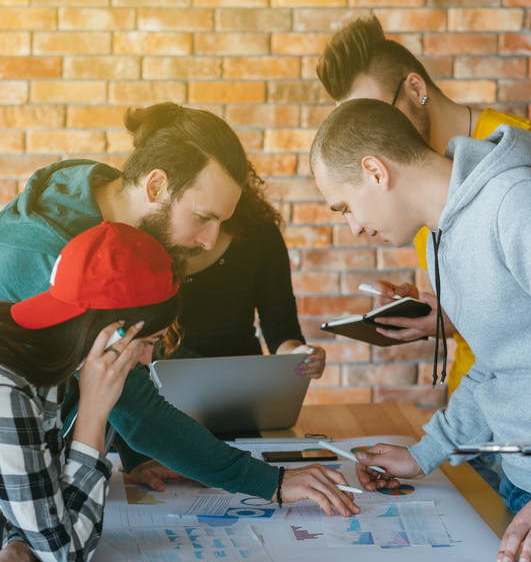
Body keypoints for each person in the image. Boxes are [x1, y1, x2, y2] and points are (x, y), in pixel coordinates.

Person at [0, 102, 359, 535]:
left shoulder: (96, 193)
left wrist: (134, 456)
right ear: (155, 186)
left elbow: (111, 392)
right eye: (204, 218)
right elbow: (134, 405)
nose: (210, 242)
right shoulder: (52, 259)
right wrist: (274, 482)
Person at [309, 98, 531, 562]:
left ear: (375, 171)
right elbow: (496, 365)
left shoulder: (523, 205)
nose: (354, 227)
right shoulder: (441, 238)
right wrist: (425, 453)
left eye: (344, 207)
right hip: (526, 484)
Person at [316, 14, 531, 398]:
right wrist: (428, 311)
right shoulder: (409, 182)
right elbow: (475, 301)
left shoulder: (530, 158)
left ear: (415, 88)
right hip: (471, 396)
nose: (366, 138)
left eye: (375, 113)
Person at [0, 222, 180, 562]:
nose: (146, 358)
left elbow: (39, 500)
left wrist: (17, 535)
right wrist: (94, 412)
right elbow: (67, 552)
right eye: (149, 343)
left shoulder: (42, 359)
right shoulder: (9, 392)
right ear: (110, 334)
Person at [157, 166, 326, 379]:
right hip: (160, 387)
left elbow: (281, 329)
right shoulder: (145, 237)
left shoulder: (260, 236)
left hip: (242, 382)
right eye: (201, 216)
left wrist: (296, 355)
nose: (209, 242)